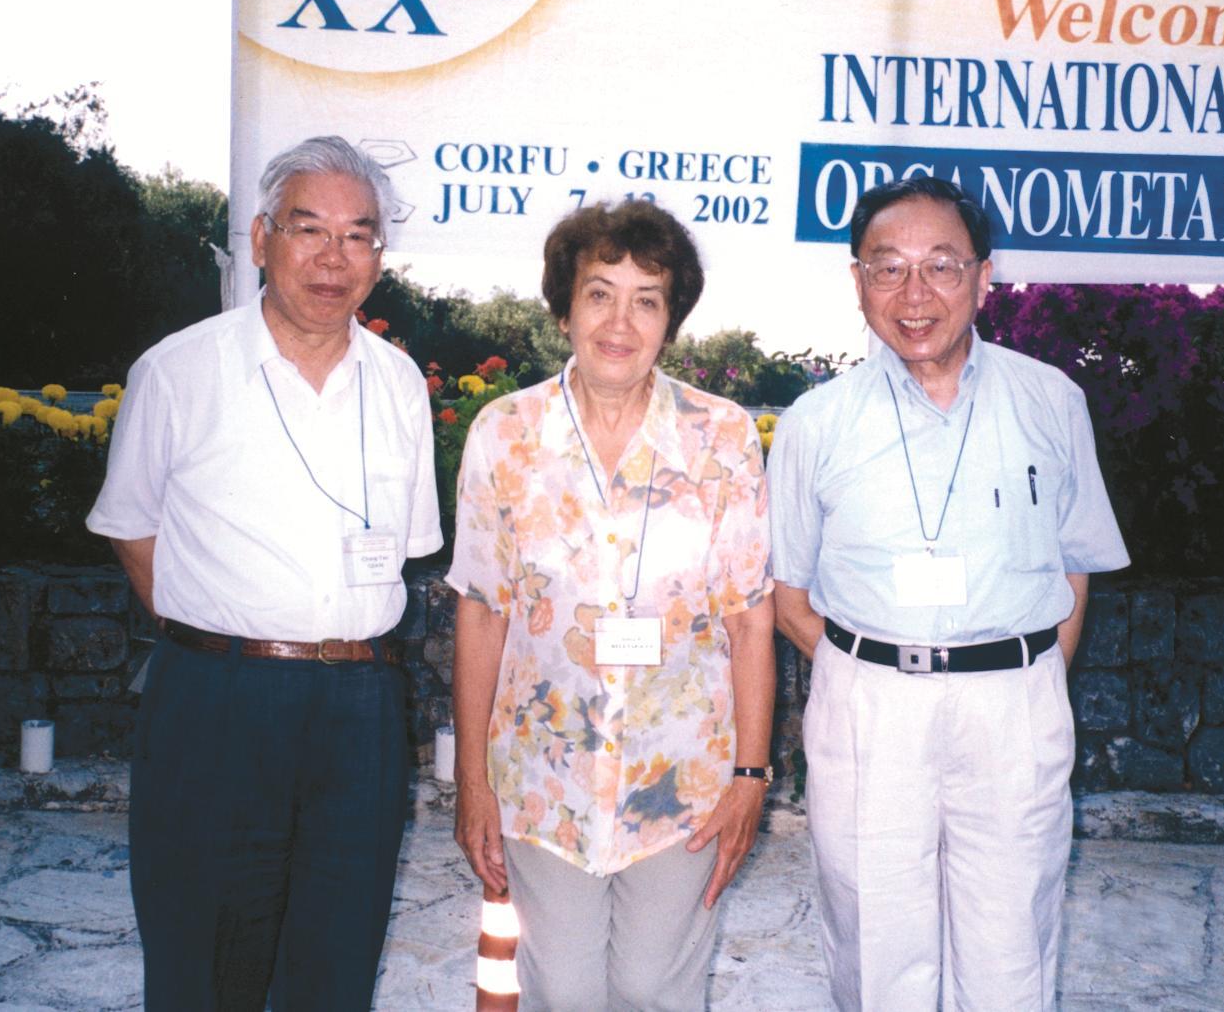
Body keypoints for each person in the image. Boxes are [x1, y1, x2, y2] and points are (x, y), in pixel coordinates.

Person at [87, 136, 441, 1010]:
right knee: (205, 965)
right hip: (219, 699)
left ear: (379, 257)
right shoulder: (180, 370)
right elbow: (132, 529)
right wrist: (218, 641)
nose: (333, 257)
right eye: (308, 229)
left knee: (336, 962)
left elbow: (405, 546)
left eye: (358, 236)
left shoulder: (399, 384)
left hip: (361, 706)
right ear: (259, 238)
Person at [769, 175, 1128, 1011]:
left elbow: (1074, 564)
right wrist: (873, 672)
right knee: (875, 947)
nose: (914, 294)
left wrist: (1023, 677)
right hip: (869, 709)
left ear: (983, 276)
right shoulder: (815, 423)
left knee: (1011, 951)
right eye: (888, 268)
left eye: (940, 266)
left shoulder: (1051, 401)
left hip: (1012, 706)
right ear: (857, 281)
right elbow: (789, 596)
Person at [449, 199, 775, 1011]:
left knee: (651, 989)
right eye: (600, 294)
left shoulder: (722, 438)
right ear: (565, 309)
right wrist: (473, 782)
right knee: (561, 992)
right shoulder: (504, 434)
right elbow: (482, 610)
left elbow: (749, 619)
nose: (620, 323)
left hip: (681, 776)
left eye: (646, 300)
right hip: (542, 777)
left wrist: (750, 777)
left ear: (671, 321)